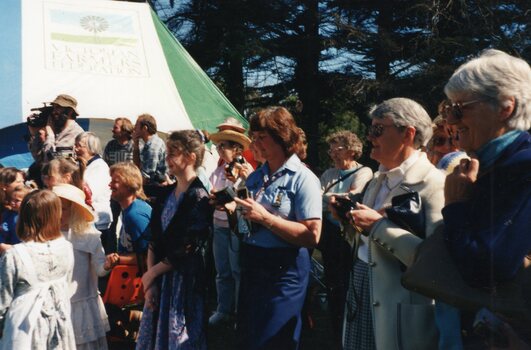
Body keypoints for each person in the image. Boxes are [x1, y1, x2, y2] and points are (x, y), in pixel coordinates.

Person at [338, 98, 445, 349]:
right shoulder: (377, 179)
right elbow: (364, 243)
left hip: (398, 311)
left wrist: (377, 227)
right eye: (370, 129)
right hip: (362, 290)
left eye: (378, 129)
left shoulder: (434, 184)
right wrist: (348, 221)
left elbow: (435, 262)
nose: (369, 137)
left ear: (407, 133)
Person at [441, 49, 531, 346]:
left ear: (505, 107)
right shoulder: (493, 164)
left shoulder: (522, 166)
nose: (451, 121)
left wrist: (454, 206)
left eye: (460, 108)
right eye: (448, 108)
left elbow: (488, 268)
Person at [233, 106, 322, 349]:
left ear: (281, 137)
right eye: (254, 137)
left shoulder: (303, 178)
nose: (255, 143)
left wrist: (266, 218)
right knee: (250, 337)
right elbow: (248, 224)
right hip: (253, 264)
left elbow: (312, 236)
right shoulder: (255, 177)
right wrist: (235, 213)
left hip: (284, 270)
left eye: (262, 137)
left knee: (274, 340)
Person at [136, 130, 213, 349]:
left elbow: (188, 247)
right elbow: (155, 238)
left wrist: (151, 273)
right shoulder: (165, 194)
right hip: (161, 277)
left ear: (190, 157)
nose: (167, 159)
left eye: (173, 153)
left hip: (184, 280)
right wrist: (150, 283)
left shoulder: (199, 198)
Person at [0, 189, 76, 349]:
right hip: (58, 326)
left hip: (24, 329)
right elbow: (66, 287)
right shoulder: (67, 248)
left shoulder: (15, 255)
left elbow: (2, 301)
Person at [318, 130, 373, 342]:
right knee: (333, 282)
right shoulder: (328, 174)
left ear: (351, 150)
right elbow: (321, 196)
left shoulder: (365, 171)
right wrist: (337, 197)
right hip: (330, 234)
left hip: (351, 235)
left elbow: (353, 196)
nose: (332, 152)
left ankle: (352, 328)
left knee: (350, 281)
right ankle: (336, 330)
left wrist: (329, 197)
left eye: (337, 147)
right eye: (331, 148)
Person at [52, 183, 117, 350]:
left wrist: (107, 265)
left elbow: (99, 269)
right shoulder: (47, 235)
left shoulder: (88, 235)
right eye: (55, 208)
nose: (59, 214)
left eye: (64, 209)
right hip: (55, 304)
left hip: (81, 303)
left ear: (74, 211)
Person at [208, 124, 252, 325]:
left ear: (236, 149)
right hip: (219, 223)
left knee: (237, 270)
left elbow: (248, 194)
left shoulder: (245, 169)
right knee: (222, 269)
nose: (219, 149)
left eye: (223, 145)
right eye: (218, 146)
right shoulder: (218, 170)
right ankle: (223, 309)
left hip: (237, 225)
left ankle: (240, 312)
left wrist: (241, 180)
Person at [75, 132, 114, 253]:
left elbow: (88, 193)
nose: (75, 149)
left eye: (79, 145)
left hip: (98, 222)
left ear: (90, 148)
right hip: (88, 222)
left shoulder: (99, 167)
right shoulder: (85, 165)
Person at [109, 162, 151, 265]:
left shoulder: (135, 215)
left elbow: (147, 258)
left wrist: (118, 259)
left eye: (115, 181)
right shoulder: (129, 210)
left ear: (129, 184)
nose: (110, 185)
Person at [29, 94, 84, 163]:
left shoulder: (75, 134)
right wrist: (35, 136)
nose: (53, 112)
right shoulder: (58, 131)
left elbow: (53, 161)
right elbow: (40, 160)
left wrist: (50, 135)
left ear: (70, 111)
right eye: (54, 108)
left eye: (58, 107)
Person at [132, 114, 168, 190]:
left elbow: (146, 177)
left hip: (155, 190)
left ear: (145, 128)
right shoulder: (148, 144)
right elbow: (137, 166)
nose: (134, 128)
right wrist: (135, 144)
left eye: (136, 126)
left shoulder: (153, 146)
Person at [0, 186, 31, 253]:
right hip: (6, 248)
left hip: (21, 250)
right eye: (11, 199)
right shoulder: (7, 214)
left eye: (17, 200)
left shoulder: (28, 217)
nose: (12, 202)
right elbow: (3, 232)